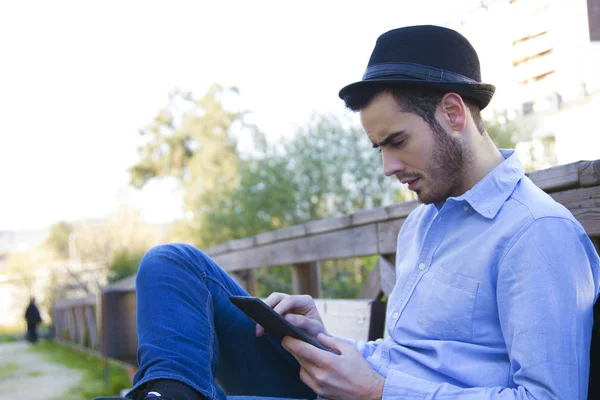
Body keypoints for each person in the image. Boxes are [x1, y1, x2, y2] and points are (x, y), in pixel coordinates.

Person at [95, 25, 600, 400]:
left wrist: (380, 391)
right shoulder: (424, 222)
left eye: (397, 141)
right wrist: (327, 341)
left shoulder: (538, 234)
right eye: (378, 147)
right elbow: (408, 354)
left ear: (453, 113)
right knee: (172, 264)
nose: (388, 166)